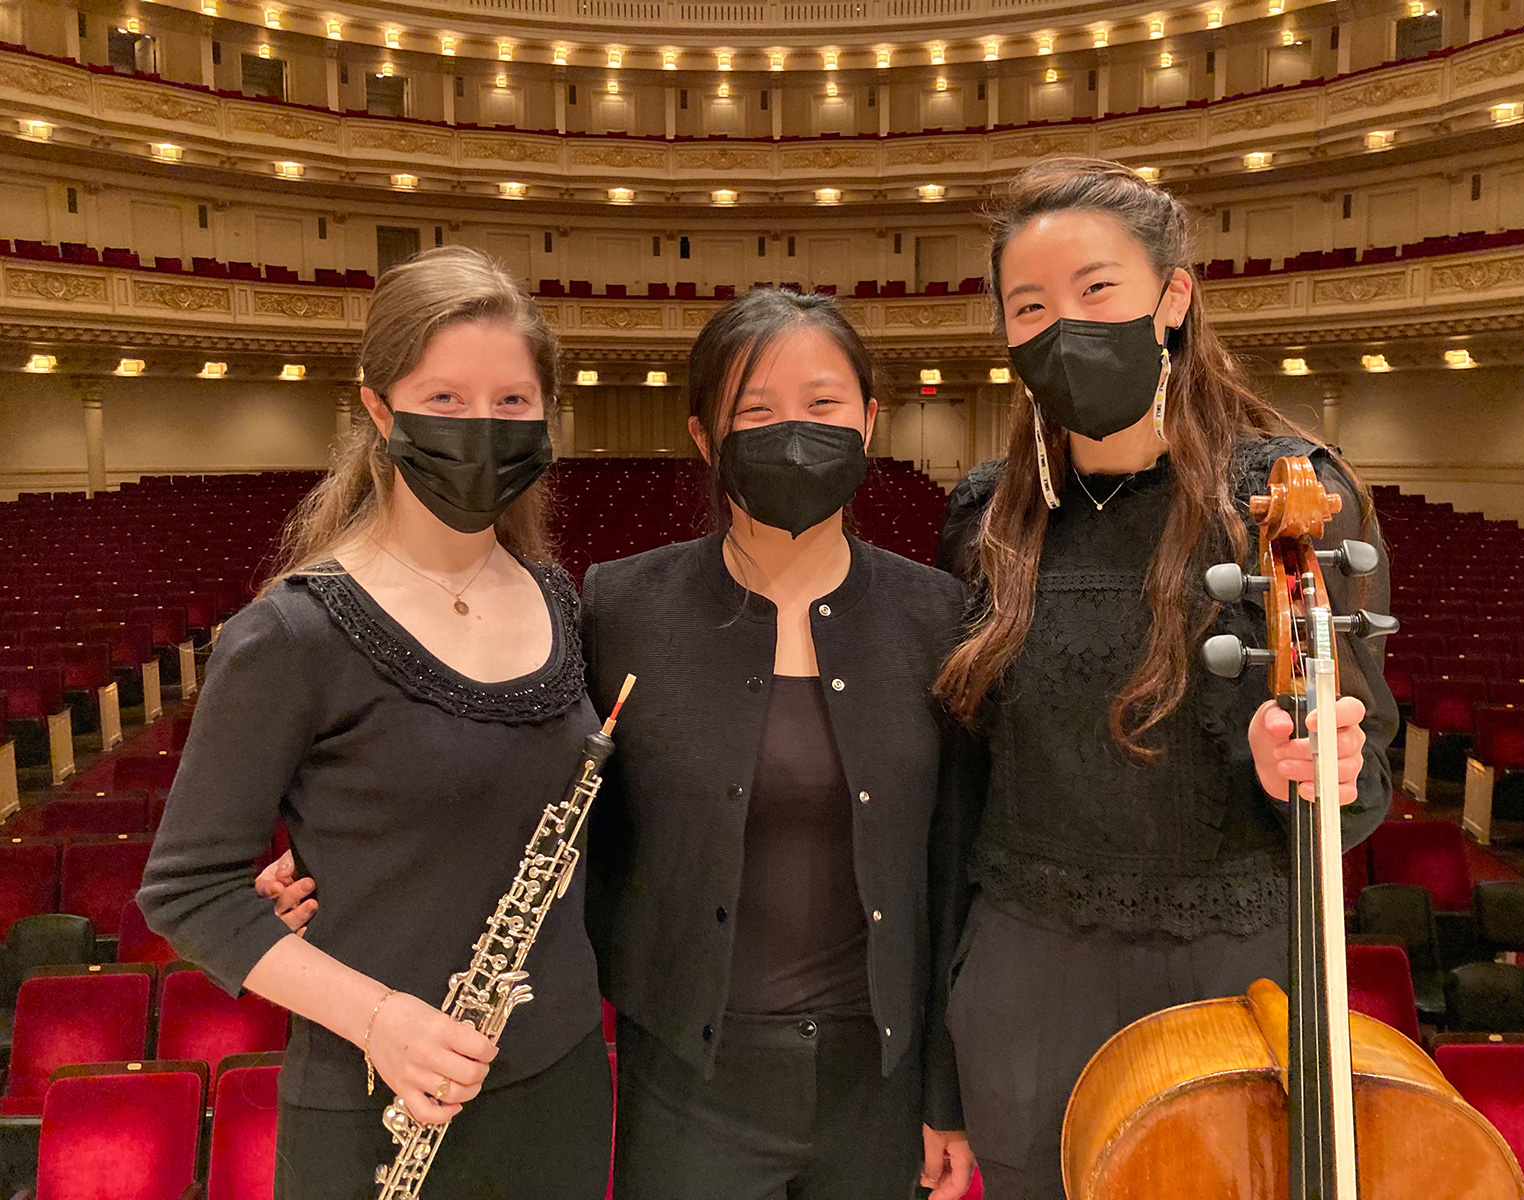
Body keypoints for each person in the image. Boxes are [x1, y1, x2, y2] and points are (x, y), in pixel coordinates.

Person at [932, 157, 1397, 1200]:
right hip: (1022, 975)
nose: (1063, 326)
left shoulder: (1286, 495)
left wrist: (1305, 771)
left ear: (1172, 296)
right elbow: (960, 784)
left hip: (1224, 972)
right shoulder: (984, 514)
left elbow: (1363, 790)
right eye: (1029, 306)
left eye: (1096, 291)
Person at [138, 246, 613, 1200]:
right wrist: (383, 1019)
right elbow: (188, 890)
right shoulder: (294, 629)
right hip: (377, 1094)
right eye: (445, 399)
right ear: (381, 410)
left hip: (560, 1084)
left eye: (513, 403)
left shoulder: (560, 601)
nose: (482, 426)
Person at [580, 288, 983, 1200]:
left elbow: (955, 865)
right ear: (702, 436)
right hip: (685, 1081)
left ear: (870, 422)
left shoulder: (938, 616)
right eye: (753, 411)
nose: (790, 431)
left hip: (877, 1088)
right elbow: (554, 820)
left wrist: (944, 1093)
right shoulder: (619, 609)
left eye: (822, 404)